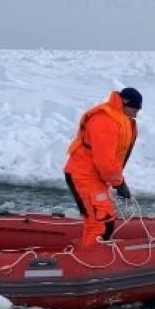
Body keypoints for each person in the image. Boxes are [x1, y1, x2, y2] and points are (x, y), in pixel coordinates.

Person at [63, 88, 141, 247]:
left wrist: (117, 180)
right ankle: (89, 263)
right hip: (83, 175)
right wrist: (119, 184)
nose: (136, 115)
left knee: (106, 219)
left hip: (96, 176)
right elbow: (105, 160)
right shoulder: (106, 121)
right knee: (99, 224)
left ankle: (97, 257)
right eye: (134, 109)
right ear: (124, 103)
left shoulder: (121, 118)